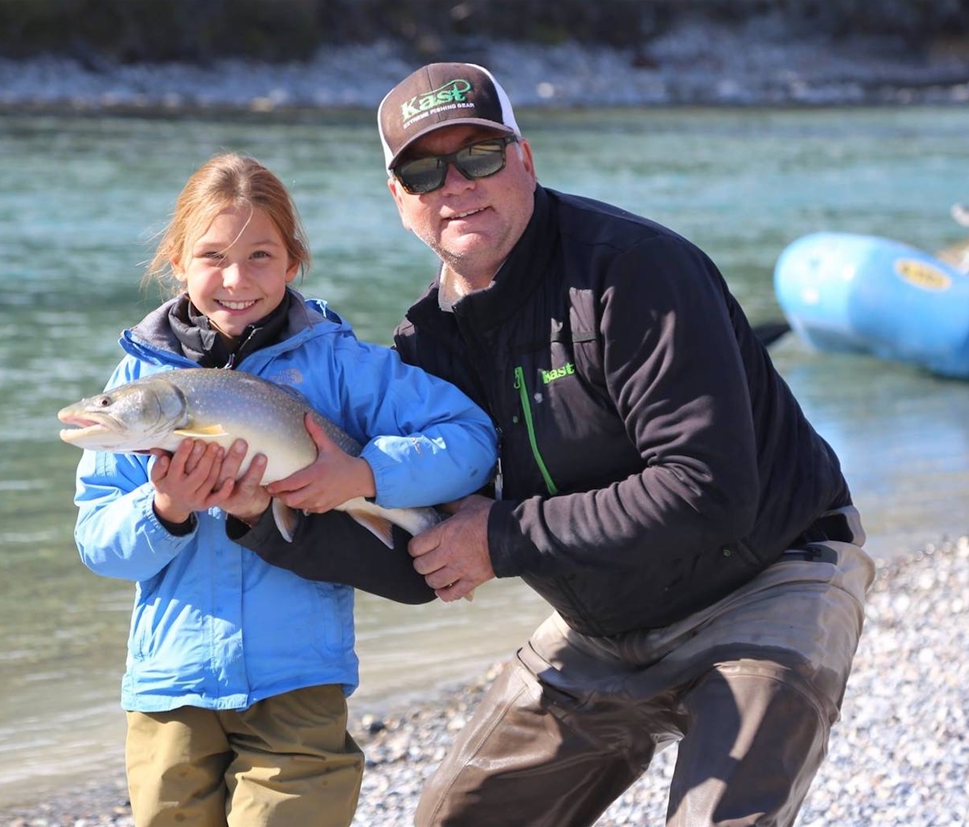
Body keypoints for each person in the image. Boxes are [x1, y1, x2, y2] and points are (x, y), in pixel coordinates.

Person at [371, 62, 874, 826]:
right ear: (399, 197)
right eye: (424, 169)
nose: (456, 184)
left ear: (525, 159)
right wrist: (253, 500)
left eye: (478, 155)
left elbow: (707, 490)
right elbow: (422, 536)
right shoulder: (425, 343)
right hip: (601, 623)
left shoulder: (634, 271)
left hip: (768, 579)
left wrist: (501, 537)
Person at [69, 151, 496, 827]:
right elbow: (98, 545)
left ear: (294, 261)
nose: (237, 279)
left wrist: (364, 474)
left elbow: (470, 439)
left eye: (261, 256)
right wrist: (166, 508)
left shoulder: (338, 365)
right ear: (176, 261)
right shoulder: (140, 379)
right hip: (167, 688)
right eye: (212, 256)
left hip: (301, 679)